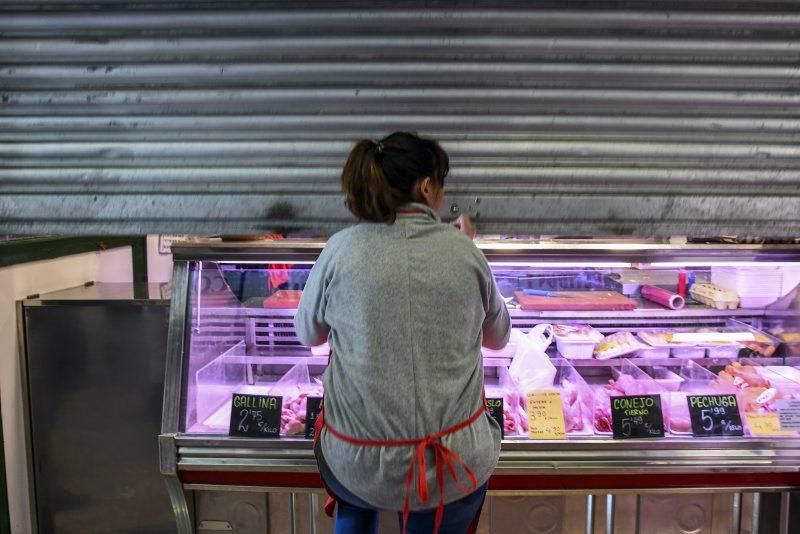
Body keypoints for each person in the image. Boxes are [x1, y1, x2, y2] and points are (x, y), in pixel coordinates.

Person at [295, 132, 511, 534]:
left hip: (355, 462)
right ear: (426, 186)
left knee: (357, 504)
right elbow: (498, 338)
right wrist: (461, 248)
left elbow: (309, 333)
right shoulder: (466, 252)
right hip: (452, 466)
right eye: (442, 187)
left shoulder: (340, 249)